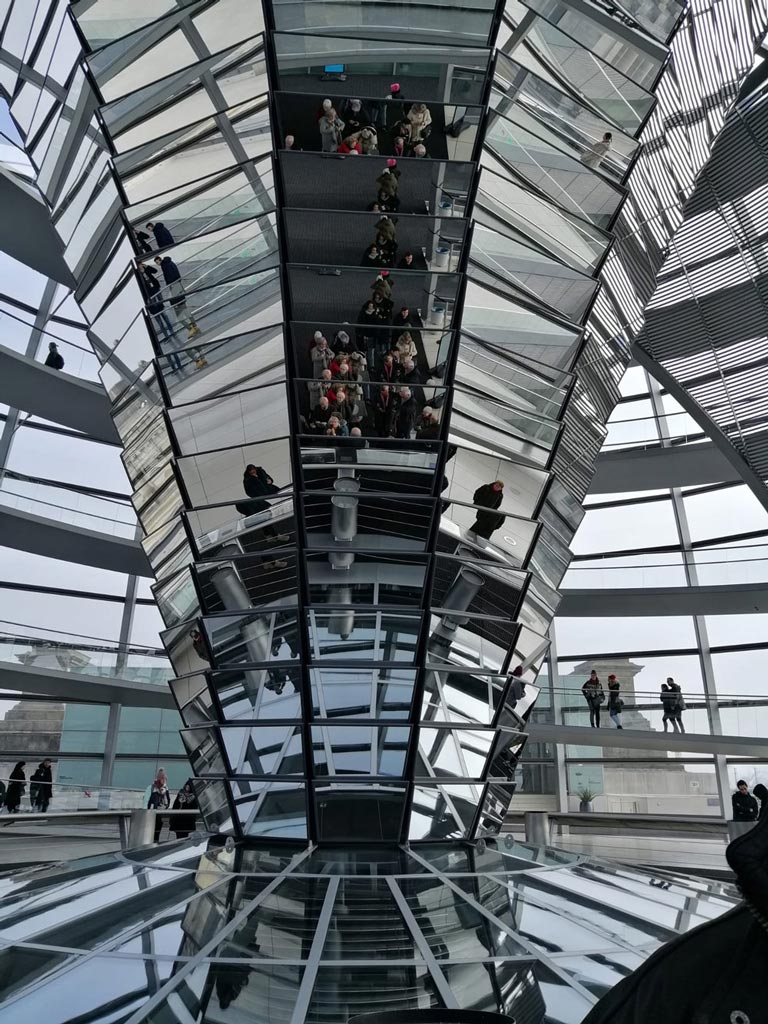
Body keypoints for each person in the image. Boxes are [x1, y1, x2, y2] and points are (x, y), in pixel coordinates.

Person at [154, 256, 201, 341]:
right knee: (185, 310)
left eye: (157, 262)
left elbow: (171, 278)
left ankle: (191, 329)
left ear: (160, 260)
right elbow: (176, 275)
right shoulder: (169, 263)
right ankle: (194, 327)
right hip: (178, 288)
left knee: (180, 316)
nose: (157, 264)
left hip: (175, 289)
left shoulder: (165, 265)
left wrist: (172, 287)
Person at [148, 768, 171, 841]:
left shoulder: (165, 788)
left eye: (164, 778)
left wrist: (166, 806)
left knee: (158, 826)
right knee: (154, 827)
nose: (163, 780)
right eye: (162, 778)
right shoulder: (153, 788)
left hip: (160, 810)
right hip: (154, 811)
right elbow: (148, 801)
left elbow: (168, 799)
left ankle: (155, 840)